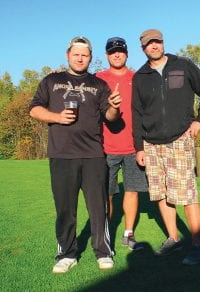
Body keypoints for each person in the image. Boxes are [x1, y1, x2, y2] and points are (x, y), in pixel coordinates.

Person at [29, 36, 122, 273]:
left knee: (98, 207)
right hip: (61, 155)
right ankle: (67, 254)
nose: (80, 58)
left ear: (90, 57)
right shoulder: (52, 80)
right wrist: (57, 117)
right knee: (64, 208)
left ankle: (103, 252)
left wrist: (113, 106)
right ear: (68, 55)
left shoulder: (99, 85)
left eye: (85, 54)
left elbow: (110, 118)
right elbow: (35, 109)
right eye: (76, 54)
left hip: (93, 155)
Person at [132, 29, 200, 265]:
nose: (154, 46)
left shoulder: (184, 65)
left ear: (163, 43)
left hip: (180, 138)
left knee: (187, 193)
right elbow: (136, 114)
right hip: (151, 143)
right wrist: (139, 146)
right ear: (143, 48)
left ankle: (197, 244)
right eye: (149, 44)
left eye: (157, 41)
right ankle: (173, 237)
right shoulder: (140, 76)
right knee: (161, 193)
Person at [96, 37, 148, 251]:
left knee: (132, 190)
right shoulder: (97, 79)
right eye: (112, 51)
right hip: (105, 148)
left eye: (120, 50)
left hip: (133, 148)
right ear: (107, 55)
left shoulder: (137, 79)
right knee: (106, 193)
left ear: (127, 54)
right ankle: (106, 234)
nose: (116, 54)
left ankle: (128, 234)